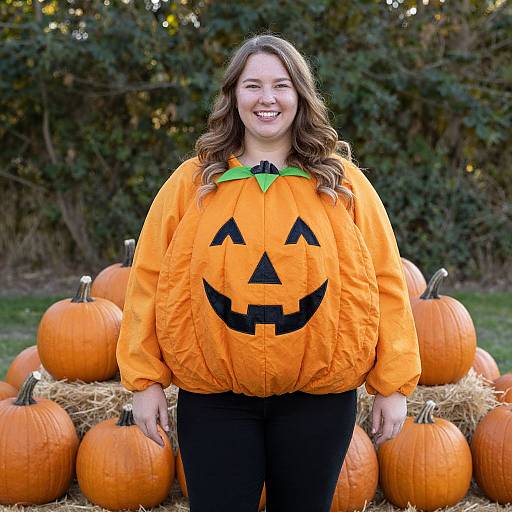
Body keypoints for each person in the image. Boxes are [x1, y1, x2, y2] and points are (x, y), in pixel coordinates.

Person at [116, 34, 421, 512]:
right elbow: (149, 280)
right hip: (216, 399)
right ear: (234, 95)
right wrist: (144, 379)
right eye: (253, 84)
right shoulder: (193, 183)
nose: (267, 98)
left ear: (300, 95)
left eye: (281, 85)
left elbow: (384, 279)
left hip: (317, 400)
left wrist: (393, 382)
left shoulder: (341, 184)